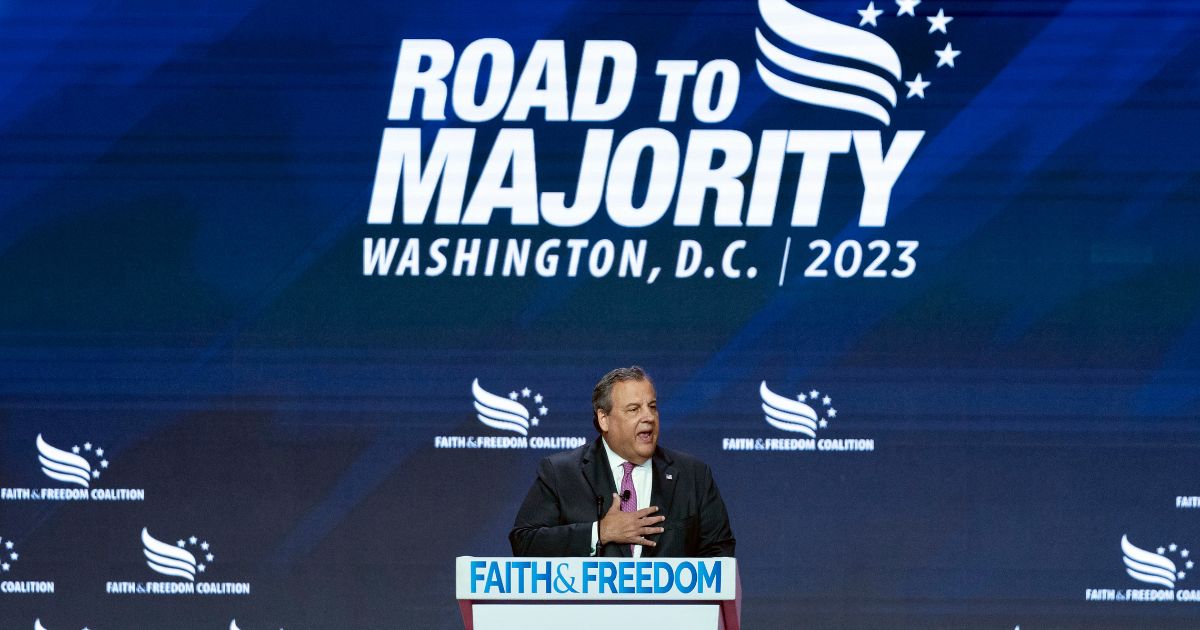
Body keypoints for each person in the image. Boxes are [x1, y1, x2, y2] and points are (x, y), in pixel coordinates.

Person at [509, 366, 735, 557]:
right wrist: (600, 532)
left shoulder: (693, 475)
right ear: (604, 419)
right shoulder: (561, 473)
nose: (648, 417)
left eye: (652, 407)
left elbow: (720, 552)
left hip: (669, 609)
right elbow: (525, 542)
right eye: (634, 409)